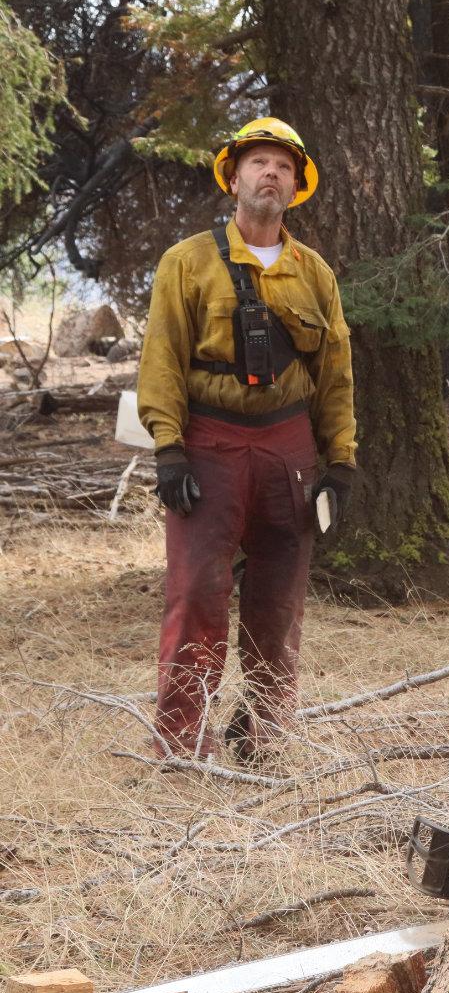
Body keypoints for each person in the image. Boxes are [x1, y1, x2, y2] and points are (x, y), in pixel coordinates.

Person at [136, 117, 356, 766]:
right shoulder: (188, 262)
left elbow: (335, 374)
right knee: (196, 593)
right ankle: (180, 744)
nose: (271, 175)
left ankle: (263, 739)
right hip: (209, 443)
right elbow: (163, 360)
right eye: (259, 163)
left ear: (297, 187)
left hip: (288, 449)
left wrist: (340, 464)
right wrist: (169, 450)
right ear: (233, 178)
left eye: (284, 167)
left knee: (279, 602)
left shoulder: (314, 273)